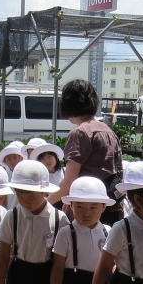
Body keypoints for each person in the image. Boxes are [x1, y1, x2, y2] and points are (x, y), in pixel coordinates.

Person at [49, 80, 123, 224]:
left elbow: (69, 182)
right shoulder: (108, 131)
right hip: (110, 206)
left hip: (86, 211)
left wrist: (45, 203)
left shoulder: (80, 133)